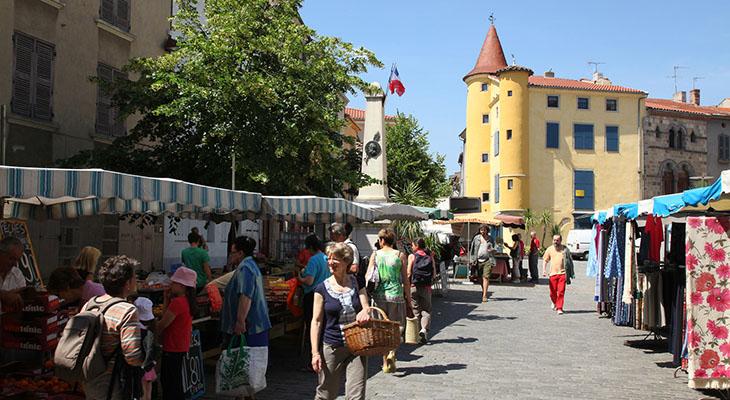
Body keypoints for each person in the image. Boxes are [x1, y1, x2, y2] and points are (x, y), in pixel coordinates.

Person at [311, 242, 371, 400]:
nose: (330, 262)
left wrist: (365, 312)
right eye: (328, 259)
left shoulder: (357, 282)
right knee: (326, 394)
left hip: (357, 345)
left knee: (356, 395)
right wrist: (315, 353)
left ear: (345, 262)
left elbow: (366, 307)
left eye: (334, 259)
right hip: (332, 346)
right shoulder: (321, 289)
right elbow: (316, 321)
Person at [82, 255, 144, 400]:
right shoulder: (127, 310)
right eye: (134, 277)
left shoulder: (91, 304)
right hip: (111, 382)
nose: (136, 280)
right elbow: (132, 356)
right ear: (128, 283)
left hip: (89, 377)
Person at [366, 228, 412, 373]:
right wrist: (409, 299)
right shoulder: (400, 255)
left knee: (381, 329)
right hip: (396, 296)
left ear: (382, 240)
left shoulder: (375, 255)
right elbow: (405, 279)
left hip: (379, 296)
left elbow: (368, 276)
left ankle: (385, 361)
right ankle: (392, 351)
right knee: (396, 327)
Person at [221, 235, 271, 349]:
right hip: (254, 325)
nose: (231, 255)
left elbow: (246, 296)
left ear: (240, 253)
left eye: (233, 252)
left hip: (251, 326)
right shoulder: (250, 265)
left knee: (247, 362)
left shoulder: (245, 268)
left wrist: (240, 321)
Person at [157, 267, 196, 400]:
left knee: (170, 383)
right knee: (174, 381)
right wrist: (166, 299)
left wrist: (152, 329)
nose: (171, 285)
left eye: (174, 283)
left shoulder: (178, 303)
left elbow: (162, 324)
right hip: (180, 345)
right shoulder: (187, 301)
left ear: (182, 286)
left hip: (172, 346)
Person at [406, 238, 437, 344]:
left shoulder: (412, 256)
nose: (411, 247)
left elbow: (408, 273)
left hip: (414, 286)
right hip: (426, 287)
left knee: (415, 310)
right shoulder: (430, 256)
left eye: (412, 245)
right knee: (426, 310)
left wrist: (406, 285)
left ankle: (415, 334)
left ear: (417, 245)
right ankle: (423, 330)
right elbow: (434, 273)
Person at [133, 297, 158, 400]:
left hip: (140, 367)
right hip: (149, 367)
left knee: (141, 393)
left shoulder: (136, 331)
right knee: (148, 393)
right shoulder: (151, 330)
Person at [543, 234, 570, 315]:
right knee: (552, 293)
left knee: (561, 291)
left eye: (557, 240)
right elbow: (545, 260)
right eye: (554, 240)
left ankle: (559, 308)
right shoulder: (549, 249)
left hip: (562, 274)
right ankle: (554, 302)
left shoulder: (565, 249)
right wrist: (544, 270)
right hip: (553, 274)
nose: (555, 242)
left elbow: (570, 262)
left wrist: (570, 273)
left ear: (560, 241)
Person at [470, 226, 496, 303]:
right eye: (481, 230)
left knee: (486, 277)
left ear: (487, 230)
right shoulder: (476, 238)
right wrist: (472, 259)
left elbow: (493, 248)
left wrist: (492, 250)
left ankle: (484, 295)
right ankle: (484, 289)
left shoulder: (490, 238)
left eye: (484, 230)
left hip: (488, 260)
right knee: (479, 277)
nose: (482, 231)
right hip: (477, 260)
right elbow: (472, 249)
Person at [0, 237, 26, 313]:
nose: (15, 264)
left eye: (17, 260)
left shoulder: (17, 274)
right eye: (11, 258)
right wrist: (3, 295)